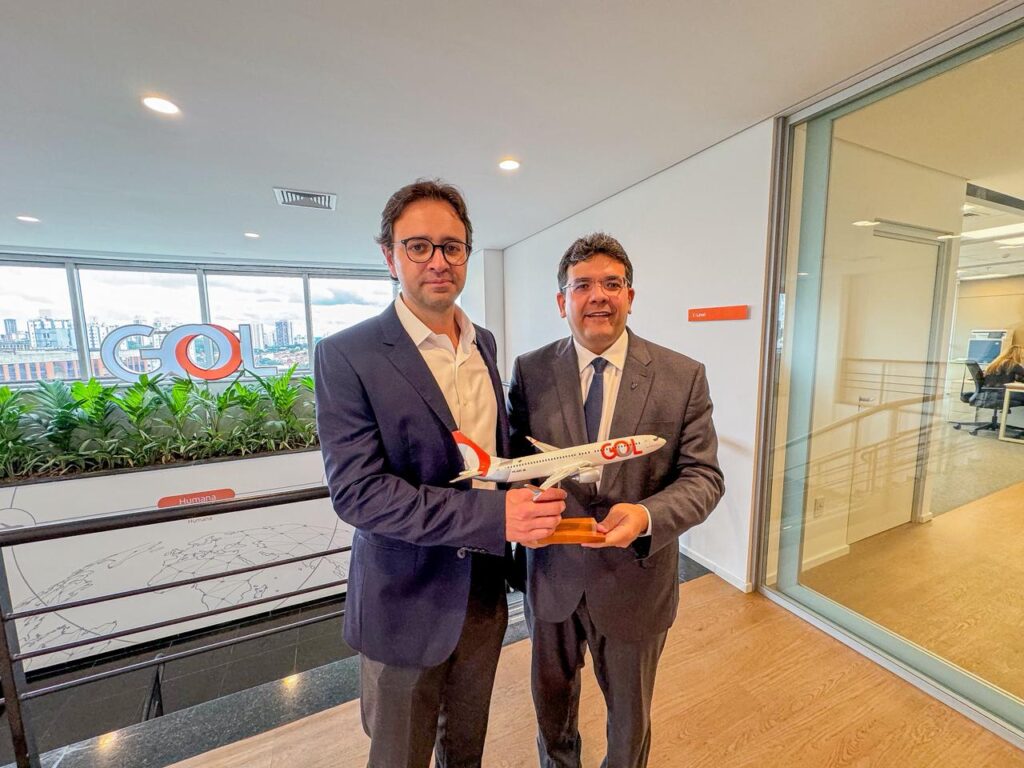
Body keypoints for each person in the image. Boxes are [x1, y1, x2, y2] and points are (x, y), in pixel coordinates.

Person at [314, 179, 566, 768]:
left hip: (483, 593)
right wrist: (495, 515)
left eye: (452, 247)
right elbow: (358, 494)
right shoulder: (347, 354)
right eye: (418, 246)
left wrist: (537, 481)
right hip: (403, 601)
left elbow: (491, 457)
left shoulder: (484, 344)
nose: (438, 261)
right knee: (399, 756)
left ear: (467, 255)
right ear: (390, 256)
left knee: (466, 750)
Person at [508, 232, 725, 768]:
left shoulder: (682, 376)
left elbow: (704, 477)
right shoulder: (530, 372)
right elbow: (514, 463)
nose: (598, 296)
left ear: (631, 295)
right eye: (582, 285)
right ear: (562, 300)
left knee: (629, 723)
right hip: (552, 576)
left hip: (635, 580)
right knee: (551, 713)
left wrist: (648, 515)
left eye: (612, 283)